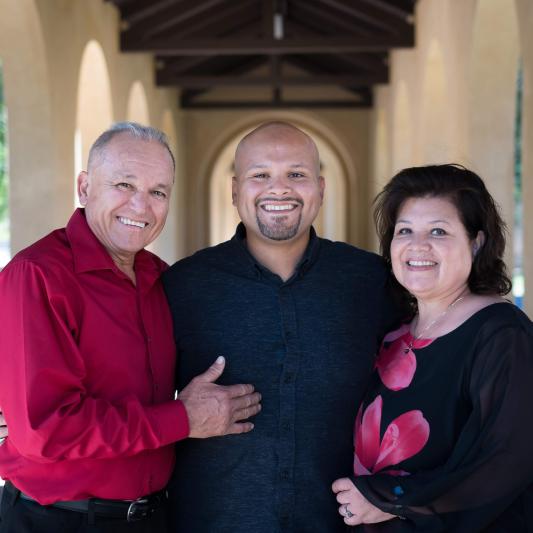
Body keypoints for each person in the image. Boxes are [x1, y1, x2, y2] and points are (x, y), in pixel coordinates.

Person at [0, 122, 261, 533]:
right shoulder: (38, 276)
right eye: (124, 184)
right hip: (60, 520)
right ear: (85, 188)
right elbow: (46, 430)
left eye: (158, 192)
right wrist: (181, 419)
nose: (141, 206)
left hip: (152, 517)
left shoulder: (161, 279)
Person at [163, 121, 399, 532]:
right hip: (211, 522)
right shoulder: (183, 286)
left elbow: (424, 385)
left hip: (339, 525)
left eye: (296, 174)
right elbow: (127, 386)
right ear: (235, 191)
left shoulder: (371, 280)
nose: (280, 188)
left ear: (320, 189)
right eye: (260, 175)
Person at [332, 164, 533, 531]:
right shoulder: (394, 335)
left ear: (477, 241)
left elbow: (509, 459)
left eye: (438, 231)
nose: (417, 245)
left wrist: (392, 497)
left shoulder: (501, 335)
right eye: (404, 230)